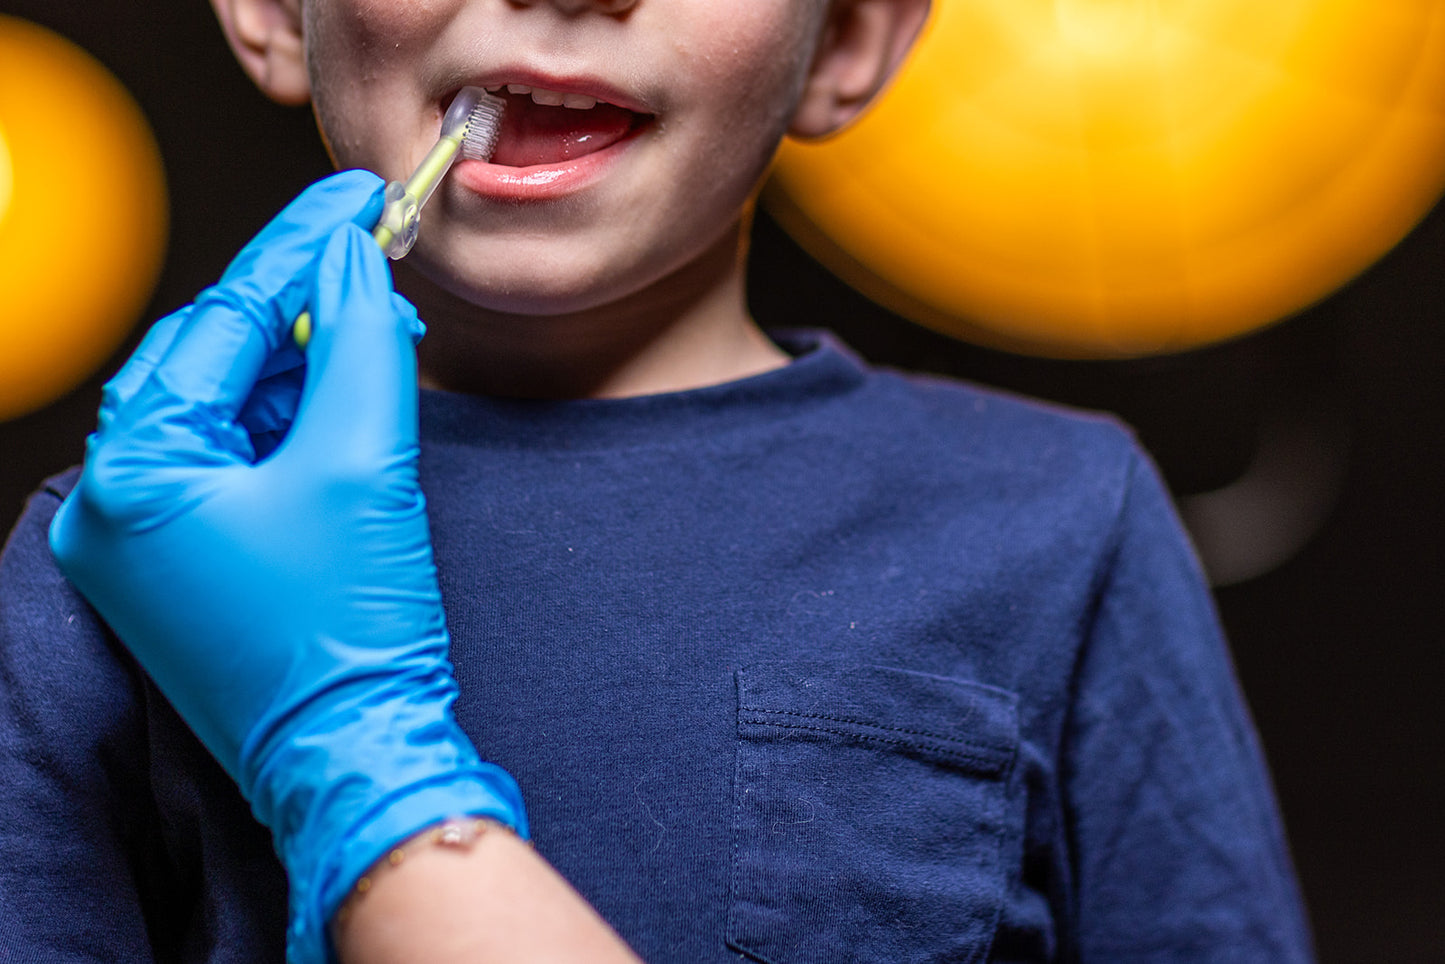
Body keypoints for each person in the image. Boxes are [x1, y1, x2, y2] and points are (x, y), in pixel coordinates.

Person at [0, 0, 1315, 961]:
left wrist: (356, 771)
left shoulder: (1058, 516)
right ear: (273, 12)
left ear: (848, 40)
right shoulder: (112, 559)